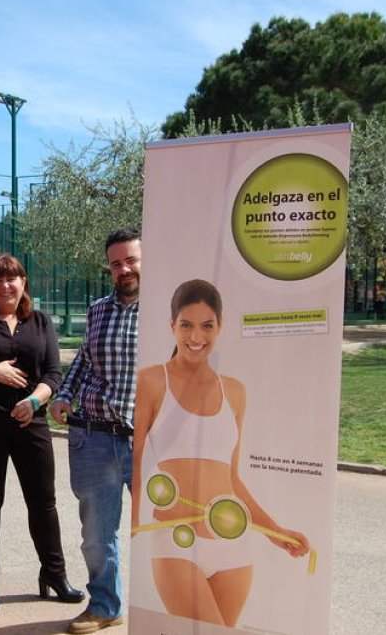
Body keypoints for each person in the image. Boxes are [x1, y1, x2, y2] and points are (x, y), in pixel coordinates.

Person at [131, 279, 309, 628]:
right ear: (171, 326)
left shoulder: (235, 391)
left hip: (234, 546)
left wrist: (274, 530)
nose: (196, 336)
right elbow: (132, 458)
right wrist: (133, 514)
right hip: (176, 538)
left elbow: (231, 479)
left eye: (207, 325)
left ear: (220, 327)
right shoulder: (152, 382)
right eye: (186, 325)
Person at [0, 253, 84, 616]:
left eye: (12, 278)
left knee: (44, 503)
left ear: (23, 282)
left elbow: (54, 373)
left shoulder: (39, 322)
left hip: (31, 425)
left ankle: (54, 575)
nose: (5, 286)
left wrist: (35, 401)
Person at [49, 227, 141, 634]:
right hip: (94, 436)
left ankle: (175, 609)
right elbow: (84, 361)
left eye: (132, 260)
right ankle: (105, 605)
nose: (124, 269)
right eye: (116, 263)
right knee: (97, 536)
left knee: (172, 529)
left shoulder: (169, 310)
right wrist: (63, 395)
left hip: (148, 439)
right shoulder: (98, 310)